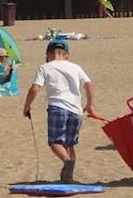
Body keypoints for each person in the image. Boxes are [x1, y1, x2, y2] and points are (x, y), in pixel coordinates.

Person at [22, 39, 95, 183]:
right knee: (69, 143)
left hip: (57, 108)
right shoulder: (75, 67)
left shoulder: (45, 67)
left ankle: (67, 162)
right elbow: (89, 84)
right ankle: (69, 177)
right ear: (67, 55)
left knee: (54, 142)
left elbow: (35, 89)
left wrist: (26, 106)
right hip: (76, 110)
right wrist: (90, 104)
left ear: (47, 54)